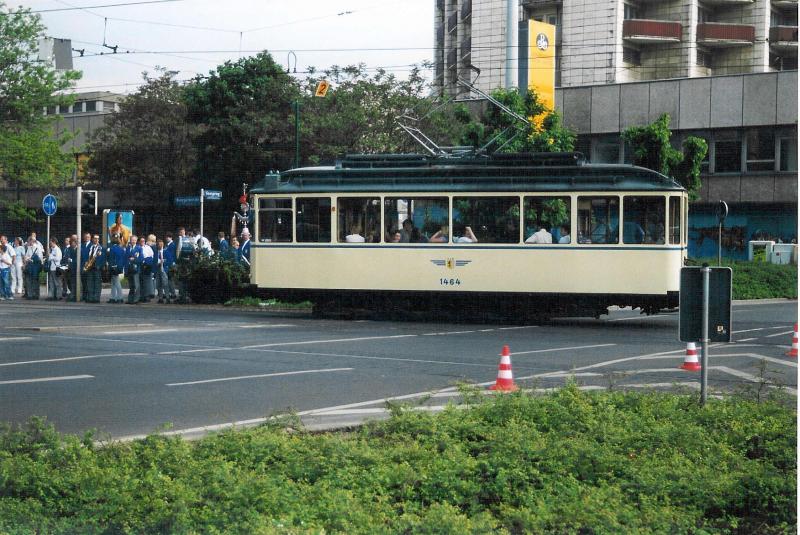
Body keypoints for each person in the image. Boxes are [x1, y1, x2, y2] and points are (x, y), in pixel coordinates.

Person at [84, 234, 104, 303]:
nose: (96, 240)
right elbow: (87, 256)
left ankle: (96, 298)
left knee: (97, 284)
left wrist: (100, 266)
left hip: (97, 268)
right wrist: (87, 263)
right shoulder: (90, 247)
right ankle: (90, 298)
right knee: (90, 283)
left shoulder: (101, 248)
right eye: (95, 238)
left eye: (98, 239)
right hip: (90, 267)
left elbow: (103, 259)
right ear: (92, 239)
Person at [107, 235, 126, 303]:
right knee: (114, 282)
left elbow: (111, 259)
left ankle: (119, 298)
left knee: (116, 282)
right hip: (119, 267)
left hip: (114, 267)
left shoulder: (112, 248)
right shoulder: (121, 248)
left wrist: (110, 266)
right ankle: (113, 297)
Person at [126, 235, 142, 304]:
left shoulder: (139, 248)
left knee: (136, 285)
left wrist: (134, 259)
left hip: (136, 269)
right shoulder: (128, 248)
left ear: (136, 240)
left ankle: (136, 299)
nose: (133, 241)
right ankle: (130, 299)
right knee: (131, 285)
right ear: (130, 240)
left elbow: (141, 259)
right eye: (132, 240)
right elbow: (125, 257)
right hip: (129, 268)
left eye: (135, 240)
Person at [155, 238, 171, 304]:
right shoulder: (156, 252)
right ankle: (160, 298)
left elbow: (170, 260)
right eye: (158, 244)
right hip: (158, 269)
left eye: (161, 244)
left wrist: (164, 261)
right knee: (159, 284)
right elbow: (154, 261)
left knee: (165, 284)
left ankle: (167, 298)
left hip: (164, 269)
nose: (160, 245)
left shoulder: (166, 251)